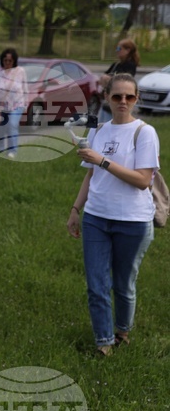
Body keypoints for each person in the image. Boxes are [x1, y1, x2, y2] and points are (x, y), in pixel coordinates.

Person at [66, 73, 157, 357]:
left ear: (136, 98)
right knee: (96, 285)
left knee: (123, 284)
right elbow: (90, 176)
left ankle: (122, 331)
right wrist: (75, 209)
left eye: (129, 97)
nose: (123, 102)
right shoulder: (98, 130)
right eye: (117, 96)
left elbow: (143, 180)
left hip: (133, 221)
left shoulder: (145, 132)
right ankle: (104, 342)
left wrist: (103, 160)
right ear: (107, 98)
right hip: (96, 218)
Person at [97, 40, 140, 123]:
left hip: (116, 101)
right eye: (117, 48)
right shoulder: (116, 64)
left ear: (128, 50)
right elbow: (103, 78)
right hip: (108, 101)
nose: (117, 50)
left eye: (119, 48)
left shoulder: (130, 65)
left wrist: (109, 80)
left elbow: (123, 81)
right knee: (101, 126)